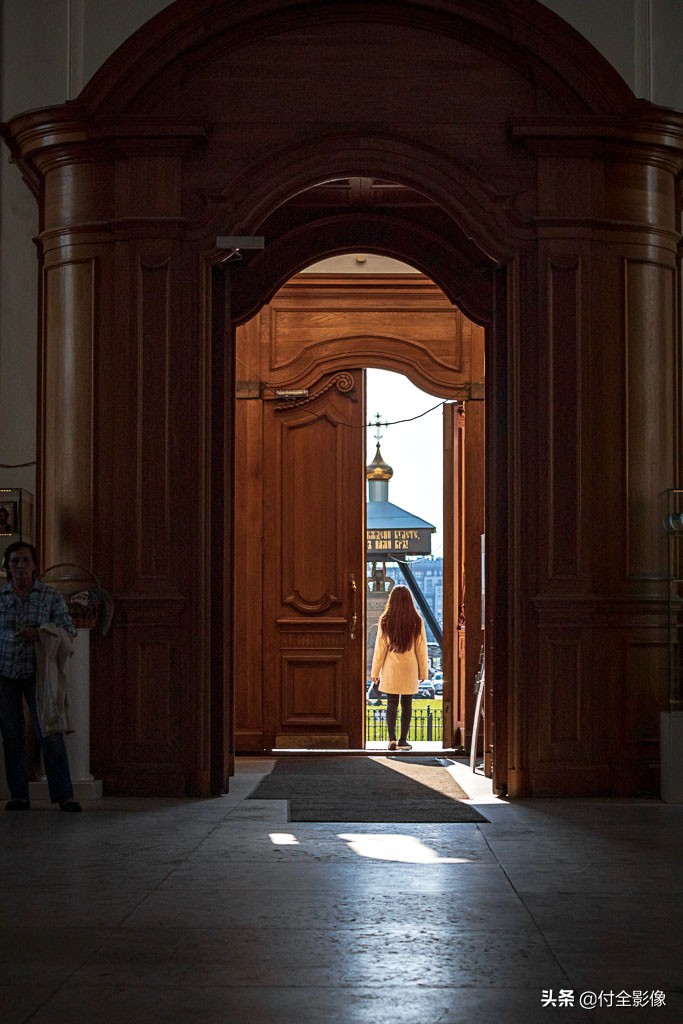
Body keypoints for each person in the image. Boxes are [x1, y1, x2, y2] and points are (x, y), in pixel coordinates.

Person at [0, 541, 81, 811]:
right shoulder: (2, 598)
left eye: (25, 561)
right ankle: (19, 796)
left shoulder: (50, 597)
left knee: (50, 731)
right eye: (14, 561)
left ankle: (64, 795)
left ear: (34, 565)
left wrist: (41, 634)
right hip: (5, 674)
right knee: (12, 736)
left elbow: (69, 630)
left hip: (39, 674)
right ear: (7, 567)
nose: (20, 566)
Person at [370, 584, 429, 752]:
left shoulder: (385, 620)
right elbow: (421, 650)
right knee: (407, 704)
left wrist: (375, 672)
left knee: (392, 703)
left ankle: (392, 739)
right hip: (410, 668)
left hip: (391, 668)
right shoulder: (417, 621)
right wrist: (423, 672)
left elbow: (380, 649)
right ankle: (403, 740)